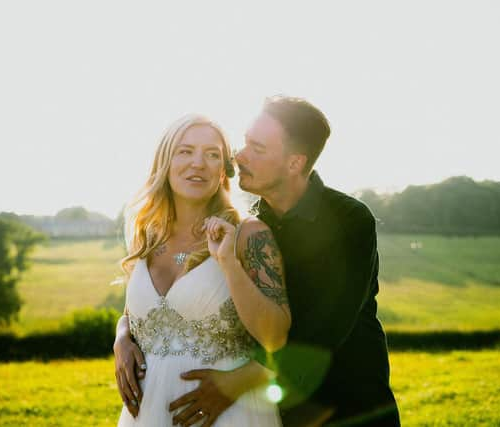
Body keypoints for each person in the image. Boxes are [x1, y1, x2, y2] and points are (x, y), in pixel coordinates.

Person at [166, 96, 400, 426]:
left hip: (351, 407)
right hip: (273, 414)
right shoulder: (241, 227)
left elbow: (323, 331)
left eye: (257, 148)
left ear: (294, 163)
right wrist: (125, 336)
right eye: (244, 142)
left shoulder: (350, 220)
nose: (240, 155)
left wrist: (236, 381)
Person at [114, 114, 291, 426]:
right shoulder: (147, 233)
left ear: (223, 170)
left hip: (227, 414)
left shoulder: (248, 234)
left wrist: (229, 264)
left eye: (212, 155)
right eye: (185, 151)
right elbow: (145, 311)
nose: (199, 163)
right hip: (146, 414)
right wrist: (122, 336)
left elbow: (275, 336)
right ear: (164, 161)